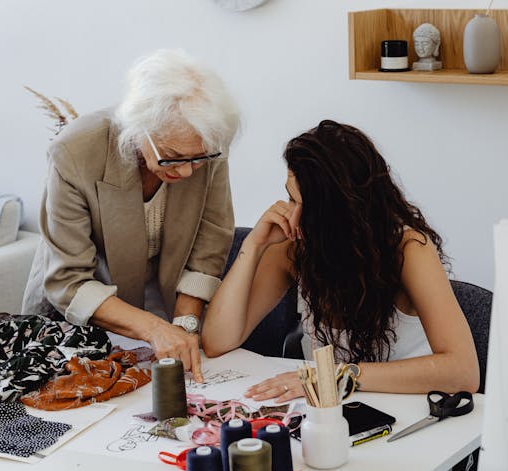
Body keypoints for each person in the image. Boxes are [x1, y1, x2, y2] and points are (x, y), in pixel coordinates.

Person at [201, 120, 479, 401]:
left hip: (410, 409)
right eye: (289, 197)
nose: (291, 215)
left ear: (337, 213)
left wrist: (337, 376)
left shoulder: (409, 249)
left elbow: (463, 371)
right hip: (330, 409)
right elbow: (217, 342)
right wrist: (254, 245)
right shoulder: (293, 247)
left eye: (302, 205)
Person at [22, 49, 240, 382]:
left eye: (197, 161)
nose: (185, 171)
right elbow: (69, 279)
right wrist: (154, 329)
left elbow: (210, 241)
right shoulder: (76, 152)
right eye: (172, 158)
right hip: (82, 308)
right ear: (140, 130)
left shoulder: (206, 143)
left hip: (162, 297)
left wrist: (184, 325)